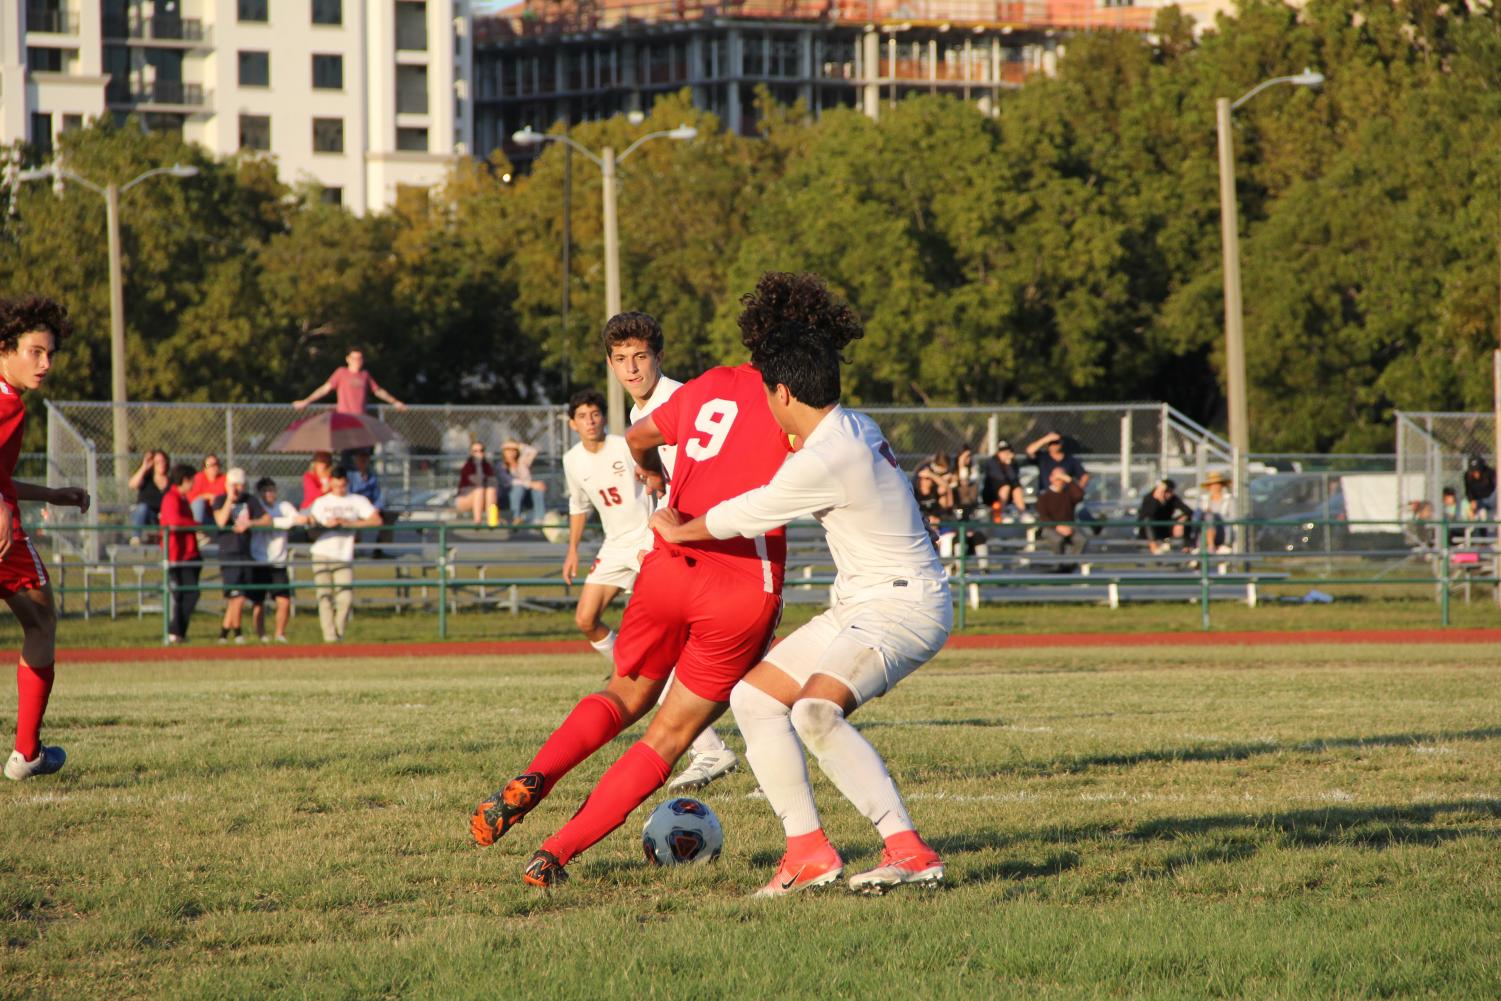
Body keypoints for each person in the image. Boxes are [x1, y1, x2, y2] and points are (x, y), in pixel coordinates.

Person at [469, 289, 795, 888]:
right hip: (738, 576)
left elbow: (641, 439)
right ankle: (553, 854)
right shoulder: (792, 397)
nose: (632, 366)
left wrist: (654, 476)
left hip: (666, 566)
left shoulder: (702, 388)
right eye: (622, 357)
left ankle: (534, 778)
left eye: (639, 355)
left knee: (621, 691)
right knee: (669, 734)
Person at [652, 273, 951, 896]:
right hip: (862, 603)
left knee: (815, 711)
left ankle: (909, 850)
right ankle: (808, 852)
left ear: (783, 391)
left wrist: (681, 531)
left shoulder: (825, 458)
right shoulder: (851, 426)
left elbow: (751, 510)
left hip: (904, 606)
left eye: (767, 391)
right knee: (755, 699)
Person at [0, 296, 89, 782]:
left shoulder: (11, 400)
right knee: (41, 622)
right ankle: (26, 752)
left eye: (50, 353)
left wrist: (52, 493)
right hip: (4, 546)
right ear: (5, 348)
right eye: (35, 351)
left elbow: (2, 476)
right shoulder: (6, 402)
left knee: (40, 620)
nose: (46, 363)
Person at [561, 389, 654, 661]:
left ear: (603, 418)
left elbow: (656, 478)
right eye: (582, 416)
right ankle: (625, 669)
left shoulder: (625, 445)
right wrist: (572, 550)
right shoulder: (572, 460)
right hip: (614, 545)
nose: (589, 421)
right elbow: (579, 506)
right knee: (585, 619)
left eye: (595, 414)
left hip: (648, 540)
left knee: (658, 618)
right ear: (572, 423)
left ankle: (673, 675)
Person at [306, 467, 382, 643]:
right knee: (324, 596)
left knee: (345, 598)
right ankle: (330, 637)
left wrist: (349, 523)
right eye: (336, 485)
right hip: (322, 553)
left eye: (342, 485)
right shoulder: (321, 502)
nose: (339, 489)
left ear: (347, 483)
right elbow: (311, 533)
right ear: (331, 483)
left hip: (344, 555)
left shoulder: (357, 501)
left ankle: (339, 633)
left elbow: (376, 520)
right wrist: (327, 526)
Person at [212, 467, 264, 644]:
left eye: (240, 485)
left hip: (245, 552)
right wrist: (229, 498)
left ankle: (223, 634)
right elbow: (220, 521)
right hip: (229, 553)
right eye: (234, 485)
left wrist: (251, 523)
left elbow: (267, 519)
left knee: (237, 597)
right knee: (237, 596)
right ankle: (238, 632)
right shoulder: (220, 500)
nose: (237, 489)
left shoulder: (250, 500)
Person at [249, 477, 304, 644]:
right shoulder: (257, 507)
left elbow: (299, 519)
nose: (270, 494)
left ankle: (280, 634)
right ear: (259, 493)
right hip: (259, 560)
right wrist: (280, 523)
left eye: (272, 490)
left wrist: (278, 522)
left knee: (284, 601)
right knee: (259, 602)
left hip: (278, 562)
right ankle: (261, 635)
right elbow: (259, 522)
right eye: (266, 491)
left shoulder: (284, 506)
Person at [160, 463, 202, 645]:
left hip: (190, 553)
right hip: (179, 555)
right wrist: (195, 524)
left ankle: (179, 633)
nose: (194, 484)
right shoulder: (171, 498)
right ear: (185, 480)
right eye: (192, 480)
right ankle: (175, 631)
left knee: (187, 594)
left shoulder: (183, 498)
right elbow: (174, 522)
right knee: (188, 594)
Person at [293, 347, 407, 414]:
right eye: (354, 358)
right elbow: (325, 389)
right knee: (346, 452)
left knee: (362, 453)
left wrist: (395, 402)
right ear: (348, 359)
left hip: (361, 419)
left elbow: (378, 391)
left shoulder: (365, 375)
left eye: (359, 358)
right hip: (344, 418)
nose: (357, 361)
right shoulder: (341, 372)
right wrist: (306, 401)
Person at [1036, 466, 1086, 561]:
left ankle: (1072, 564)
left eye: (1062, 477)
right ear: (1051, 478)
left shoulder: (1069, 494)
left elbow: (1079, 495)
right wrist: (1058, 527)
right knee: (1057, 540)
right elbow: (1043, 517)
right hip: (1051, 527)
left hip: (1069, 526)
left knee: (1081, 539)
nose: (1059, 480)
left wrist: (1069, 480)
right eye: (1057, 477)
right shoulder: (1043, 496)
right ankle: (1059, 564)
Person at [1137, 478, 1194, 555]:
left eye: (1169, 491)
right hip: (1150, 530)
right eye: (1165, 491)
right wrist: (1157, 500)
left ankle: (1187, 545)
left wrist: (1181, 519)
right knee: (1148, 520)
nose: (1167, 494)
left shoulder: (1173, 499)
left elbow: (1188, 511)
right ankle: (1153, 546)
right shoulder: (1149, 498)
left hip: (1165, 528)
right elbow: (1147, 515)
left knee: (1187, 518)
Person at [127, 449, 170, 544]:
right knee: (142, 508)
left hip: (163, 516)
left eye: (163, 461)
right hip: (147, 515)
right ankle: (135, 538)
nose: (161, 464)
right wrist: (144, 467)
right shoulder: (146, 479)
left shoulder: (171, 480)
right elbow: (132, 485)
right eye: (157, 462)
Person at [500, 439, 547, 525]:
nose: (511, 452)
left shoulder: (522, 462)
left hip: (526, 494)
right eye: (508, 449)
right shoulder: (500, 466)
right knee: (518, 488)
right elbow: (512, 482)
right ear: (503, 451)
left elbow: (532, 451)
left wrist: (518, 445)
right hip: (509, 495)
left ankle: (539, 519)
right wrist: (531, 484)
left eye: (513, 449)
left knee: (538, 489)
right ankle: (516, 517)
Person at [456, 441, 503, 525]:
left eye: (481, 450)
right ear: (471, 453)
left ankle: (492, 520)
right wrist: (478, 465)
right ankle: (477, 521)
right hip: (465, 499)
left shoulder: (487, 466)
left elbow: (493, 483)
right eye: (475, 451)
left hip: (482, 499)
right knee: (479, 490)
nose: (479, 453)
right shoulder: (468, 466)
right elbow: (478, 481)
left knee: (491, 490)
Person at [982, 439, 1027, 521]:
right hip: (992, 494)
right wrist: (1007, 465)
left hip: (1008, 494)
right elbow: (1000, 478)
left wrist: (1009, 465)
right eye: (1002, 451)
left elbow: (1014, 479)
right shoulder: (992, 462)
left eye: (1007, 451)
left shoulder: (1012, 463)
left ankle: (1023, 513)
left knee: (1017, 488)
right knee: (1005, 486)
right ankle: (1001, 513)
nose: (1005, 454)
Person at [1195, 470, 1234, 553]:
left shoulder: (1229, 500)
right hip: (1203, 533)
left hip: (1223, 531)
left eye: (1218, 483)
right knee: (1208, 517)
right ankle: (1210, 546)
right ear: (1209, 486)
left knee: (1209, 517)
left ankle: (1210, 547)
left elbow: (1233, 518)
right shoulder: (1202, 500)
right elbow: (1197, 518)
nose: (1215, 486)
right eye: (1213, 484)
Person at [912, 451, 957, 519]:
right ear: (937, 465)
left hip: (935, 497)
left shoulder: (942, 471)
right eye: (943, 469)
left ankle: (945, 515)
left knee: (943, 490)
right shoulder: (925, 468)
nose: (945, 471)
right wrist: (933, 476)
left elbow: (948, 484)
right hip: (923, 498)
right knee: (942, 489)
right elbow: (921, 479)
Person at [188, 453, 226, 523]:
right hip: (203, 515)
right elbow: (191, 498)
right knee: (198, 503)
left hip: (218, 515)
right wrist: (207, 496)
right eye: (209, 465)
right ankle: (198, 530)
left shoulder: (224, 479)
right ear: (204, 467)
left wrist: (217, 500)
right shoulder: (198, 478)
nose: (213, 467)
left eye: (216, 464)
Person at [954, 444, 982, 515]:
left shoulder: (973, 467)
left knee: (971, 486)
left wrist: (962, 467)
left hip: (970, 496)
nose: (968, 459)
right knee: (963, 487)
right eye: (966, 457)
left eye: (969, 456)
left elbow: (970, 480)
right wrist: (961, 464)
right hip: (956, 495)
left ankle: (967, 514)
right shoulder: (953, 466)